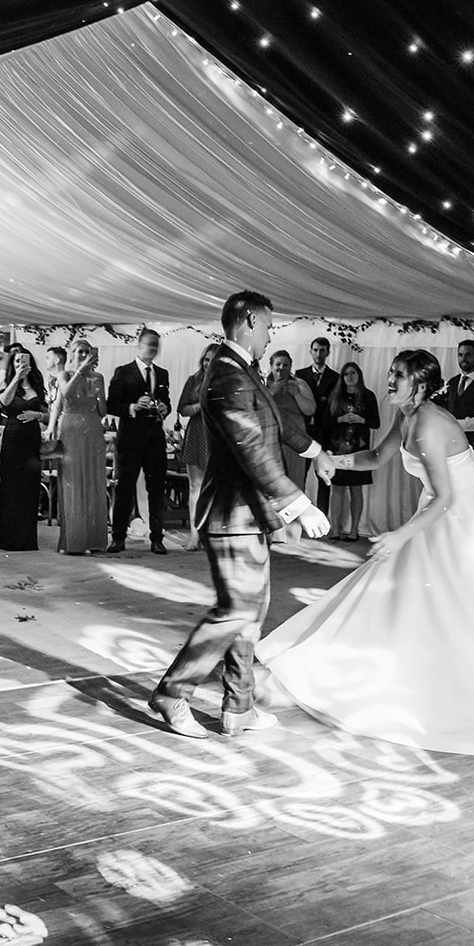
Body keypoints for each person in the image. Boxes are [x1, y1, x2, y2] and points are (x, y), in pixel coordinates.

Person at [261, 350, 474, 758]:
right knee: (407, 594)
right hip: (439, 513)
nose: (390, 380)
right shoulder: (407, 414)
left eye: (398, 375)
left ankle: (462, 687)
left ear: (421, 385)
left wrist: (399, 536)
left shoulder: (428, 424)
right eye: (391, 372)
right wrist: (330, 459)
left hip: (466, 523)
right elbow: (377, 457)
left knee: (460, 608)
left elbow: (446, 497)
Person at [149, 291, 332, 739]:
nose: (271, 337)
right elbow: (253, 449)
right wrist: (299, 503)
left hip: (247, 516)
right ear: (248, 321)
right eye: (269, 327)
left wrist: (315, 449)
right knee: (235, 611)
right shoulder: (225, 377)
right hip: (231, 515)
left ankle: (239, 706)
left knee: (252, 612)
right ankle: (173, 692)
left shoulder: (242, 371)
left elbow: (275, 424)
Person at [106, 329, 171, 554]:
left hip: (155, 439)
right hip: (130, 439)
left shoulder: (162, 374)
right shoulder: (124, 372)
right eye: (149, 345)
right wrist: (132, 407)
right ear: (139, 345)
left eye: (156, 345)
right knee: (125, 488)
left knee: (156, 489)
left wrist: (165, 408)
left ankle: (157, 537)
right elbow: (111, 405)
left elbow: (167, 402)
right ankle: (118, 537)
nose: (153, 349)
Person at [48, 339, 107, 556]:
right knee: (72, 481)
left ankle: (94, 539)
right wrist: (81, 371)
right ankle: (73, 540)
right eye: (80, 351)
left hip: (92, 428)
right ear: (72, 353)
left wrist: (99, 394)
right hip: (71, 428)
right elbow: (66, 394)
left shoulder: (98, 377)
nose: (83, 355)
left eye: (87, 352)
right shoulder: (64, 374)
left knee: (93, 480)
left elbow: (103, 411)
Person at [0, 347, 48, 552]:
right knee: (10, 489)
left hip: (31, 441)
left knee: (29, 490)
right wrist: (16, 377)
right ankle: (8, 539)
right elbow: (4, 402)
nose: (20, 364)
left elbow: (47, 413)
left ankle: (27, 540)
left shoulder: (37, 385)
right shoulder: (7, 383)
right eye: (16, 362)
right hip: (12, 440)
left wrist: (37, 416)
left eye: (23, 361)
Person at [322, 362, 380, 542]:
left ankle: (354, 530)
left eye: (353, 373)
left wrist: (361, 419)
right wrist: (341, 418)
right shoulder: (335, 396)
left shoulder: (368, 396)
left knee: (356, 489)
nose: (350, 376)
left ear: (359, 375)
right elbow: (325, 422)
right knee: (337, 488)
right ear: (342, 377)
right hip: (338, 449)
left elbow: (376, 423)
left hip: (359, 450)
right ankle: (336, 529)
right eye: (346, 373)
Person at [175, 343, 219, 552]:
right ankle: (195, 534)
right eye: (206, 359)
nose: (208, 363)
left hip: (217, 435)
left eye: (213, 360)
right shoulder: (193, 380)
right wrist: (200, 406)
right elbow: (182, 408)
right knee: (195, 487)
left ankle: (210, 533)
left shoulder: (226, 382)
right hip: (196, 433)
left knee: (215, 489)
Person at [296, 337, 341, 512]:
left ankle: (322, 517)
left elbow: (334, 407)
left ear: (328, 352)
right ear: (310, 351)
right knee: (299, 476)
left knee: (324, 478)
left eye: (322, 350)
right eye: (315, 350)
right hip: (303, 433)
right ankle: (298, 517)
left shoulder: (336, 378)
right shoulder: (300, 374)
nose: (318, 354)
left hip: (325, 434)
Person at [265, 349, 316, 481]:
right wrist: (271, 392)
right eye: (278, 364)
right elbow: (256, 409)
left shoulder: (299, 384)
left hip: (295, 438)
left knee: (295, 478)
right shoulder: (262, 384)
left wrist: (296, 395)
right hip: (271, 438)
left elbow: (310, 410)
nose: (281, 368)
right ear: (271, 365)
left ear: (290, 367)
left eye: (285, 365)